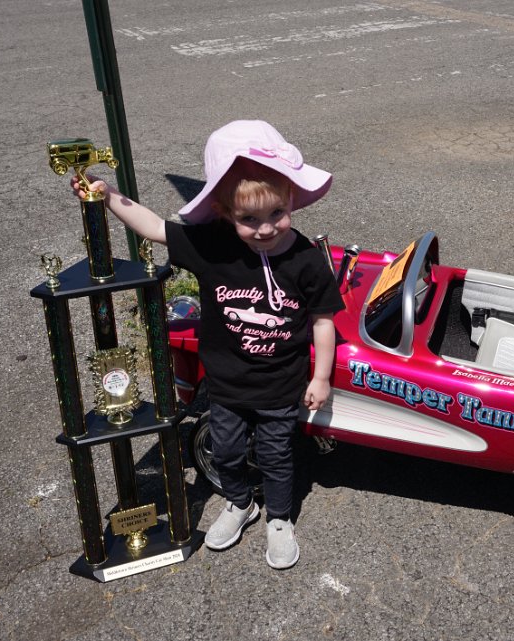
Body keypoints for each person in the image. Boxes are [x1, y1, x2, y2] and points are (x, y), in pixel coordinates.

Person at [72, 120, 344, 569]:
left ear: (291, 199)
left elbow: (322, 320)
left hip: (281, 384)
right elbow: (155, 228)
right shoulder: (212, 246)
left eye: (277, 213)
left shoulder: (306, 259)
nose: (265, 229)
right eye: (248, 219)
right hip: (225, 384)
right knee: (227, 450)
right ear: (224, 212)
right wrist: (108, 194)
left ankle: (279, 518)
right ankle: (240, 503)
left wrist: (321, 377)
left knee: (276, 456)